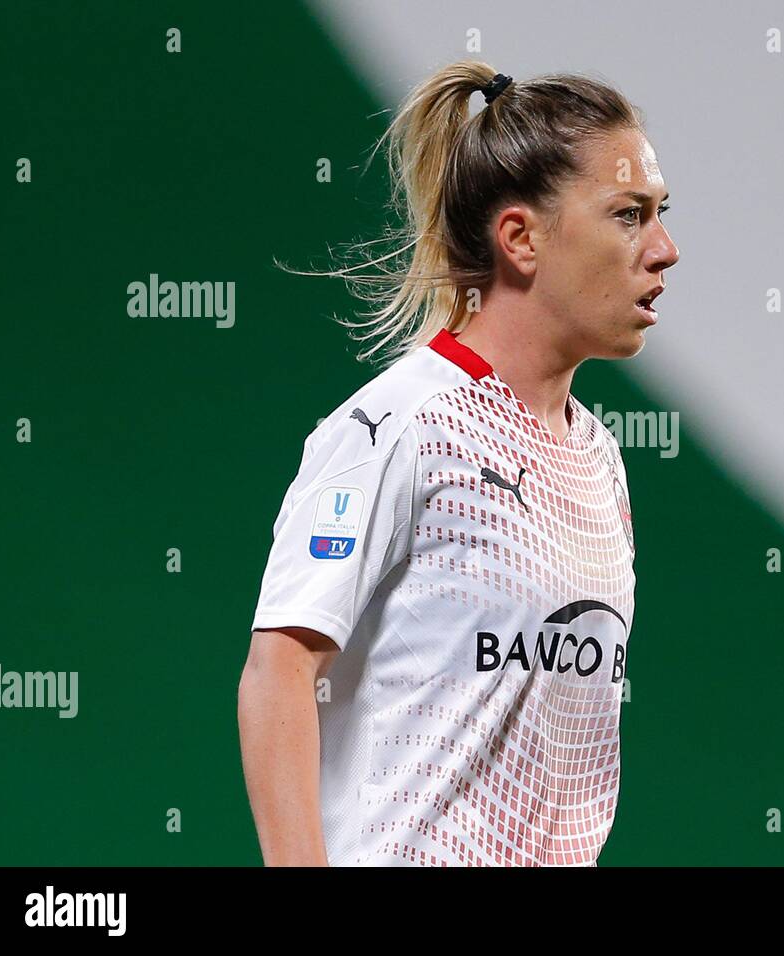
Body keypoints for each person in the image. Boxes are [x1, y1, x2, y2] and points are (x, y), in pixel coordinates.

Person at [237, 61, 680, 866]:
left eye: (661, 214)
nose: (665, 249)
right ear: (520, 238)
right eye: (628, 215)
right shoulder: (399, 427)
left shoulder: (602, 462)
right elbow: (278, 671)